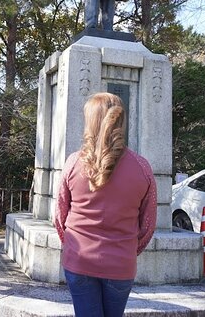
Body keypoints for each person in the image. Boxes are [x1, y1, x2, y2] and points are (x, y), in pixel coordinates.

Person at [54, 93, 157, 317]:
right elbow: (147, 225)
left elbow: (59, 218)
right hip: (121, 264)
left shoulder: (73, 163)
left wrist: (74, 245)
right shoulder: (142, 168)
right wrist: (126, 250)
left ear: (89, 121)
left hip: (79, 261)